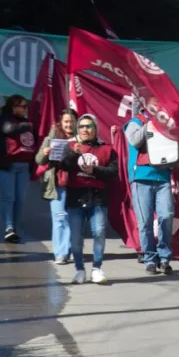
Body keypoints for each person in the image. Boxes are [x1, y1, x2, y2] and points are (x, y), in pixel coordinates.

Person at [56, 114, 118, 284]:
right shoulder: (71, 146)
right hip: (75, 197)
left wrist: (95, 170)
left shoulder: (106, 149)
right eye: (81, 126)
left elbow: (113, 172)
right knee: (76, 237)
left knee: (99, 232)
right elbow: (63, 166)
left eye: (88, 126)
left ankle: (97, 268)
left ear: (95, 129)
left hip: (97, 198)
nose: (85, 129)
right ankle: (79, 269)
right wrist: (73, 154)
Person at [125, 102, 175, 275]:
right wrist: (150, 123)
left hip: (162, 177)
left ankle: (165, 257)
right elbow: (134, 141)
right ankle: (150, 258)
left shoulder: (166, 122)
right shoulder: (135, 122)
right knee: (145, 221)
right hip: (141, 178)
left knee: (167, 216)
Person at [0, 95, 36, 243]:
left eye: (25, 106)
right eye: (22, 106)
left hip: (24, 164)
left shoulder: (27, 121)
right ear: (13, 107)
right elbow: (8, 129)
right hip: (8, 164)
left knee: (20, 199)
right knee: (9, 197)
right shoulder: (5, 119)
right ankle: (8, 227)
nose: (24, 109)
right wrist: (28, 126)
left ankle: (14, 227)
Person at [35, 109, 77, 265]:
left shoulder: (81, 137)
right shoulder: (52, 137)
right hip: (57, 182)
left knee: (72, 218)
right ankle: (60, 253)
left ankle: (70, 249)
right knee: (59, 218)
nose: (69, 124)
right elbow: (39, 159)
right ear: (61, 123)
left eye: (72, 121)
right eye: (66, 121)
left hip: (76, 183)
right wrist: (45, 153)